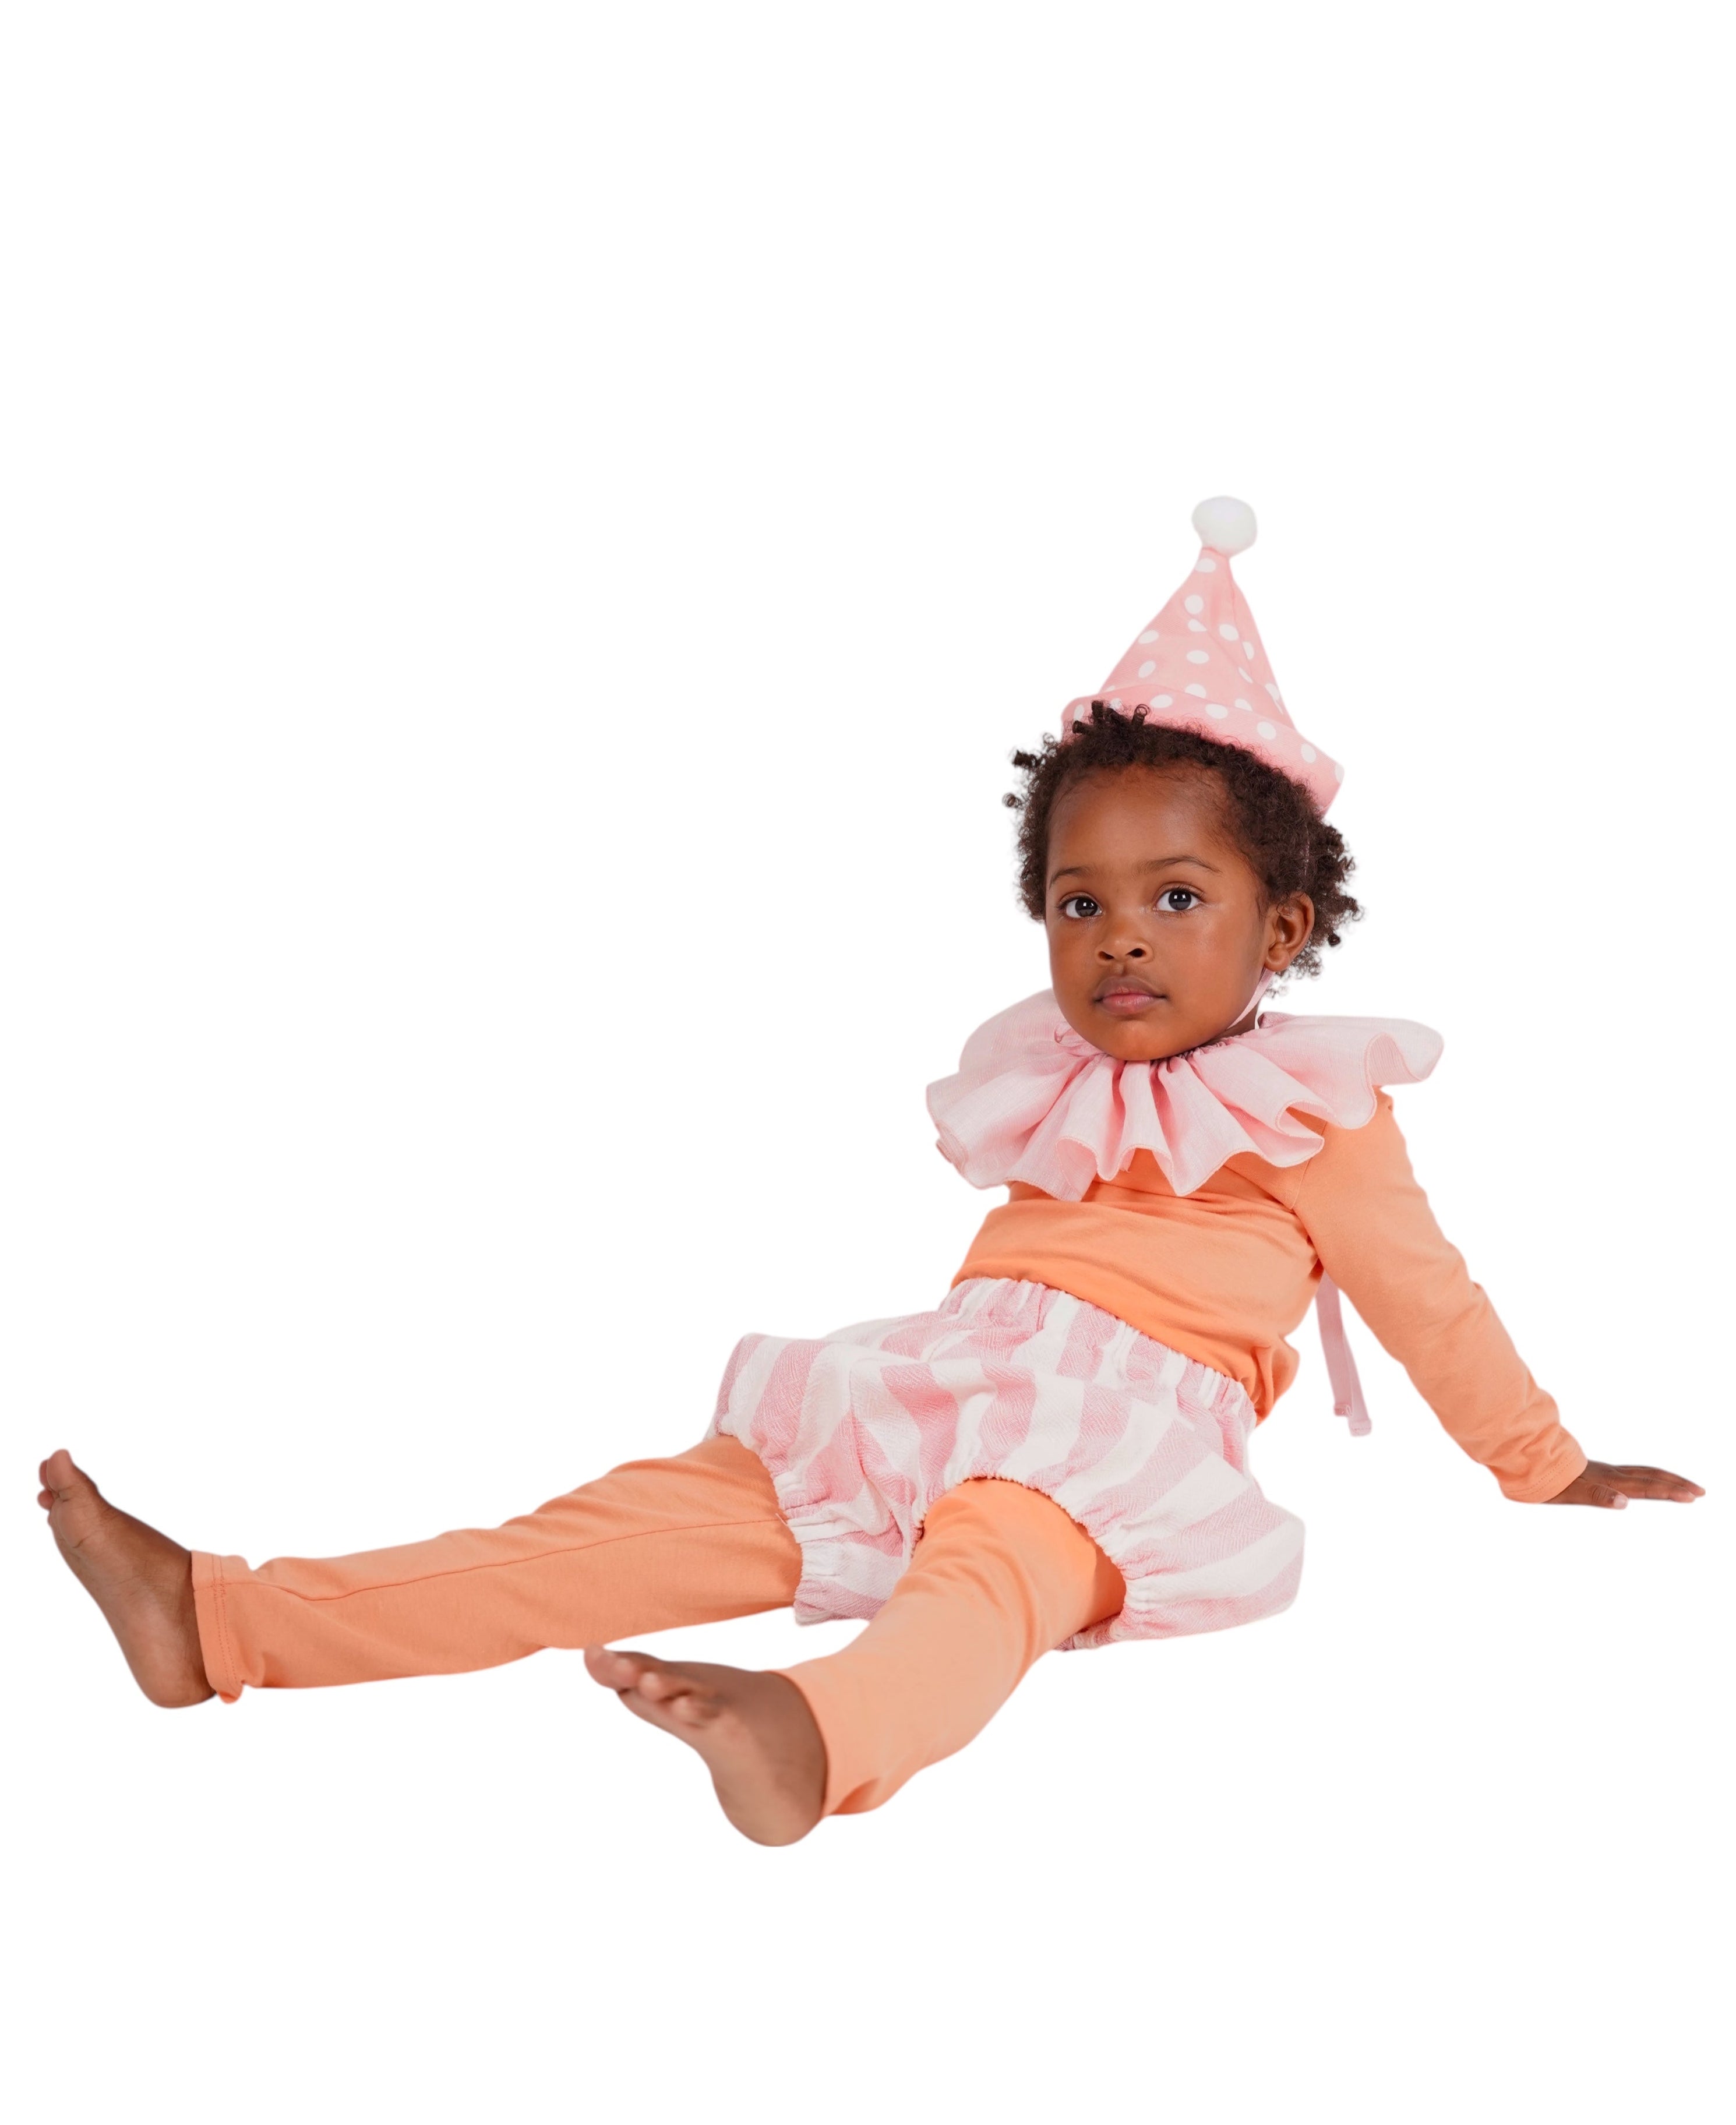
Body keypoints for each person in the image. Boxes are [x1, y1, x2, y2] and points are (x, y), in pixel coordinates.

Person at [40, 496, 1702, 1845]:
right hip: (942, 1373)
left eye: (1174, 897)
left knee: (995, 1563)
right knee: (634, 1519)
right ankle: (225, 1621)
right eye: (1076, 900)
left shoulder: (1316, 1106)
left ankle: (811, 1738)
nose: (1117, 932)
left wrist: (1540, 1465)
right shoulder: (1055, 1073)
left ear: (1281, 925)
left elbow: (1426, 1296)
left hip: (1124, 1435)